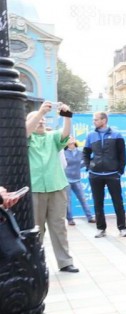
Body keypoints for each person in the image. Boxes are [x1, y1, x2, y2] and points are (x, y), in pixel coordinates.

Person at [26, 101, 78, 273]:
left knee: (59, 227)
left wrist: (67, 115)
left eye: (43, 120)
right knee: (36, 229)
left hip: (57, 187)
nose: (41, 122)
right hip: (35, 189)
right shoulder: (25, 138)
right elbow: (25, 131)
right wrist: (40, 112)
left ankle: (65, 262)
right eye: (36, 120)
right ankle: (35, 264)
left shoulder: (51, 137)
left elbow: (64, 133)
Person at [83, 111, 126, 238]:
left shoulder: (116, 134)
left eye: (96, 119)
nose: (94, 122)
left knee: (117, 202)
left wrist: (120, 170)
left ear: (104, 120)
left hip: (112, 173)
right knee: (98, 203)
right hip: (95, 175)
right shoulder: (90, 135)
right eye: (93, 120)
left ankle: (122, 228)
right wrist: (88, 167)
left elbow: (122, 154)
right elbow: (85, 153)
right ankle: (101, 229)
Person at [64, 136, 95, 225]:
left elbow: (86, 161)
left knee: (83, 199)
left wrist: (80, 167)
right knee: (67, 201)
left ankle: (90, 217)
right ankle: (70, 219)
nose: (71, 139)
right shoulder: (64, 152)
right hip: (66, 180)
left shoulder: (80, 153)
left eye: (72, 138)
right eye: (69, 138)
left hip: (77, 179)